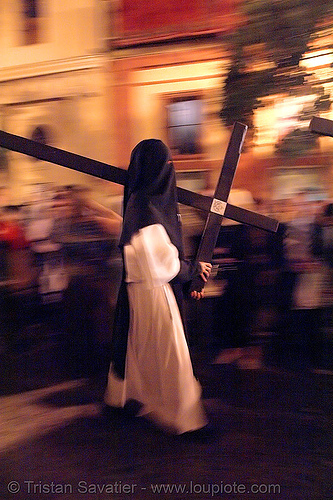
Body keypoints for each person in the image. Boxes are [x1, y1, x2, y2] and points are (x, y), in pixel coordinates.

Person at [104, 139, 212, 436]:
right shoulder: (146, 206)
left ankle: (140, 402)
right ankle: (185, 419)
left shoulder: (140, 203)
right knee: (169, 355)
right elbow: (160, 263)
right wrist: (190, 269)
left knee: (144, 355)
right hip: (154, 293)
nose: (170, 170)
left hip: (142, 291)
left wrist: (188, 271)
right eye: (166, 164)